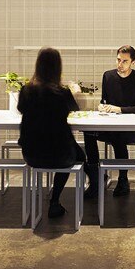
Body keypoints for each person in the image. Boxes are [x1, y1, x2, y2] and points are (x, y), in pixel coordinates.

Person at [17, 48, 86, 219]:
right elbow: (76, 109)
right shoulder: (62, 92)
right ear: (58, 68)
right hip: (60, 155)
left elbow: (21, 109)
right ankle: (55, 200)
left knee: (75, 151)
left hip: (31, 154)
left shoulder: (26, 90)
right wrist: (76, 91)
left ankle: (97, 181)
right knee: (79, 155)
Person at [83, 45, 135, 198]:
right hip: (110, 125)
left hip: (130, 128)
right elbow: (105, 100)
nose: (120, 64)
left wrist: (120, 109)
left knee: (118, 136)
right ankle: (95, 178)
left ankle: (122, 179)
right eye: (118, 60)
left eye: (125, 61)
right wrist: (102, 106)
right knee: (88, 132)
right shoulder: (108, 76)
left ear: (133, 62)